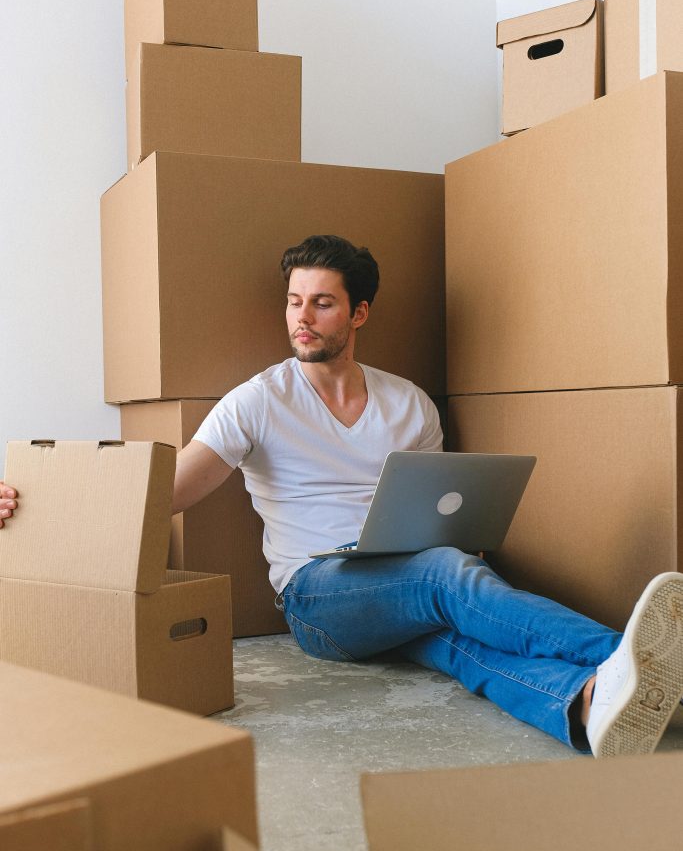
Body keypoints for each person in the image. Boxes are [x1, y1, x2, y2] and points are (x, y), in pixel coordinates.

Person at [4, 235, 683, 757]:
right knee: (444, 578)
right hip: (317, 596)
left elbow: (441, 511)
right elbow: (165, 494)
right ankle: (631, 655)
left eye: (321, 302)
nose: (302, 317)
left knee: (452, 637)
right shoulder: (257, 402)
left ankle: (588, 704)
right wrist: (36, 498)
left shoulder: (407, 403)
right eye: (294, 301)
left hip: (401, 580)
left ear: (357, 312)